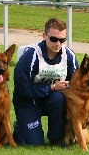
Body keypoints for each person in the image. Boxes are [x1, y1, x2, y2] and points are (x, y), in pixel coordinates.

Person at [12, 17, 79, 147]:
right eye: (54, 39)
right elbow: (22, 88)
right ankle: (20, 128)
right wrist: (51, 87)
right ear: (44, 36)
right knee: (34, 143)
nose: (58, 44)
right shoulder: (30, 55)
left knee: (58, 98)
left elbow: (76, 85)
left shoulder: (69, 56)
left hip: (52, 100)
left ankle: (56, 137)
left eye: (62, 40)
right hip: (27, 101)